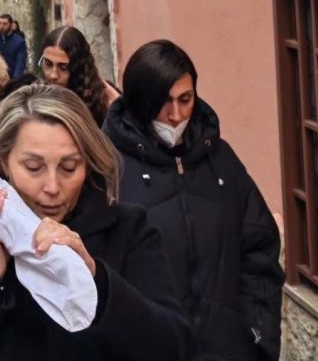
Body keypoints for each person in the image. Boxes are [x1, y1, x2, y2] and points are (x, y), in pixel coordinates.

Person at [0, 84, 189, 361]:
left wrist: (96, 279)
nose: (52, 187)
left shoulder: (129, 230)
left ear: (88, 163)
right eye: (33, 167)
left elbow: (172, 347)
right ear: (3, 159)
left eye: (69, 167)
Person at [103, 40, 283, 361]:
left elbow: (260, 251)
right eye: (163, 102)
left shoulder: (222, 161)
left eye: (185, 100)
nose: (175, 115)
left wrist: (257, 337)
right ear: (140, 102)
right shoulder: (108, 168)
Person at [39, 26, 119, 126]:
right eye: (48, 64)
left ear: (78, 68)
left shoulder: (103, 100)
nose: (53, 75)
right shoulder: (36, 99)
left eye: (63, 68)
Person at [0, 15, 27, 80]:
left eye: (5, 24)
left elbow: (20, 62)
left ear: (11, 25)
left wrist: (15, 80)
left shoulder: (19, 41)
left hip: (11, 78)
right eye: (0, 23)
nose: (2, 26)